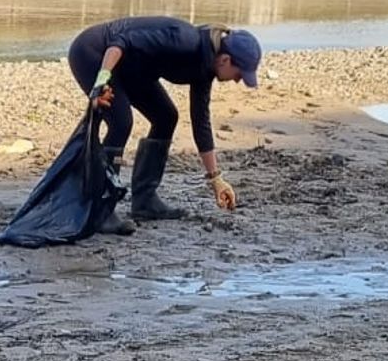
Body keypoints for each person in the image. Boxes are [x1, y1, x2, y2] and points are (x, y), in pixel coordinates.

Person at [67, 16, 257, 231]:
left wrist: (216, 179)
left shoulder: (205, 68)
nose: (238, 80)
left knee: (165, 117)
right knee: (121, 122)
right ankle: (100, 210)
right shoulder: (185, 40)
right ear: (225, 60)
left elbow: (201, 122)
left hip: (132, 68)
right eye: (239, 74)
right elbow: (120, 41)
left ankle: (145, 201)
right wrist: (101, 80)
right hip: (95, 53)